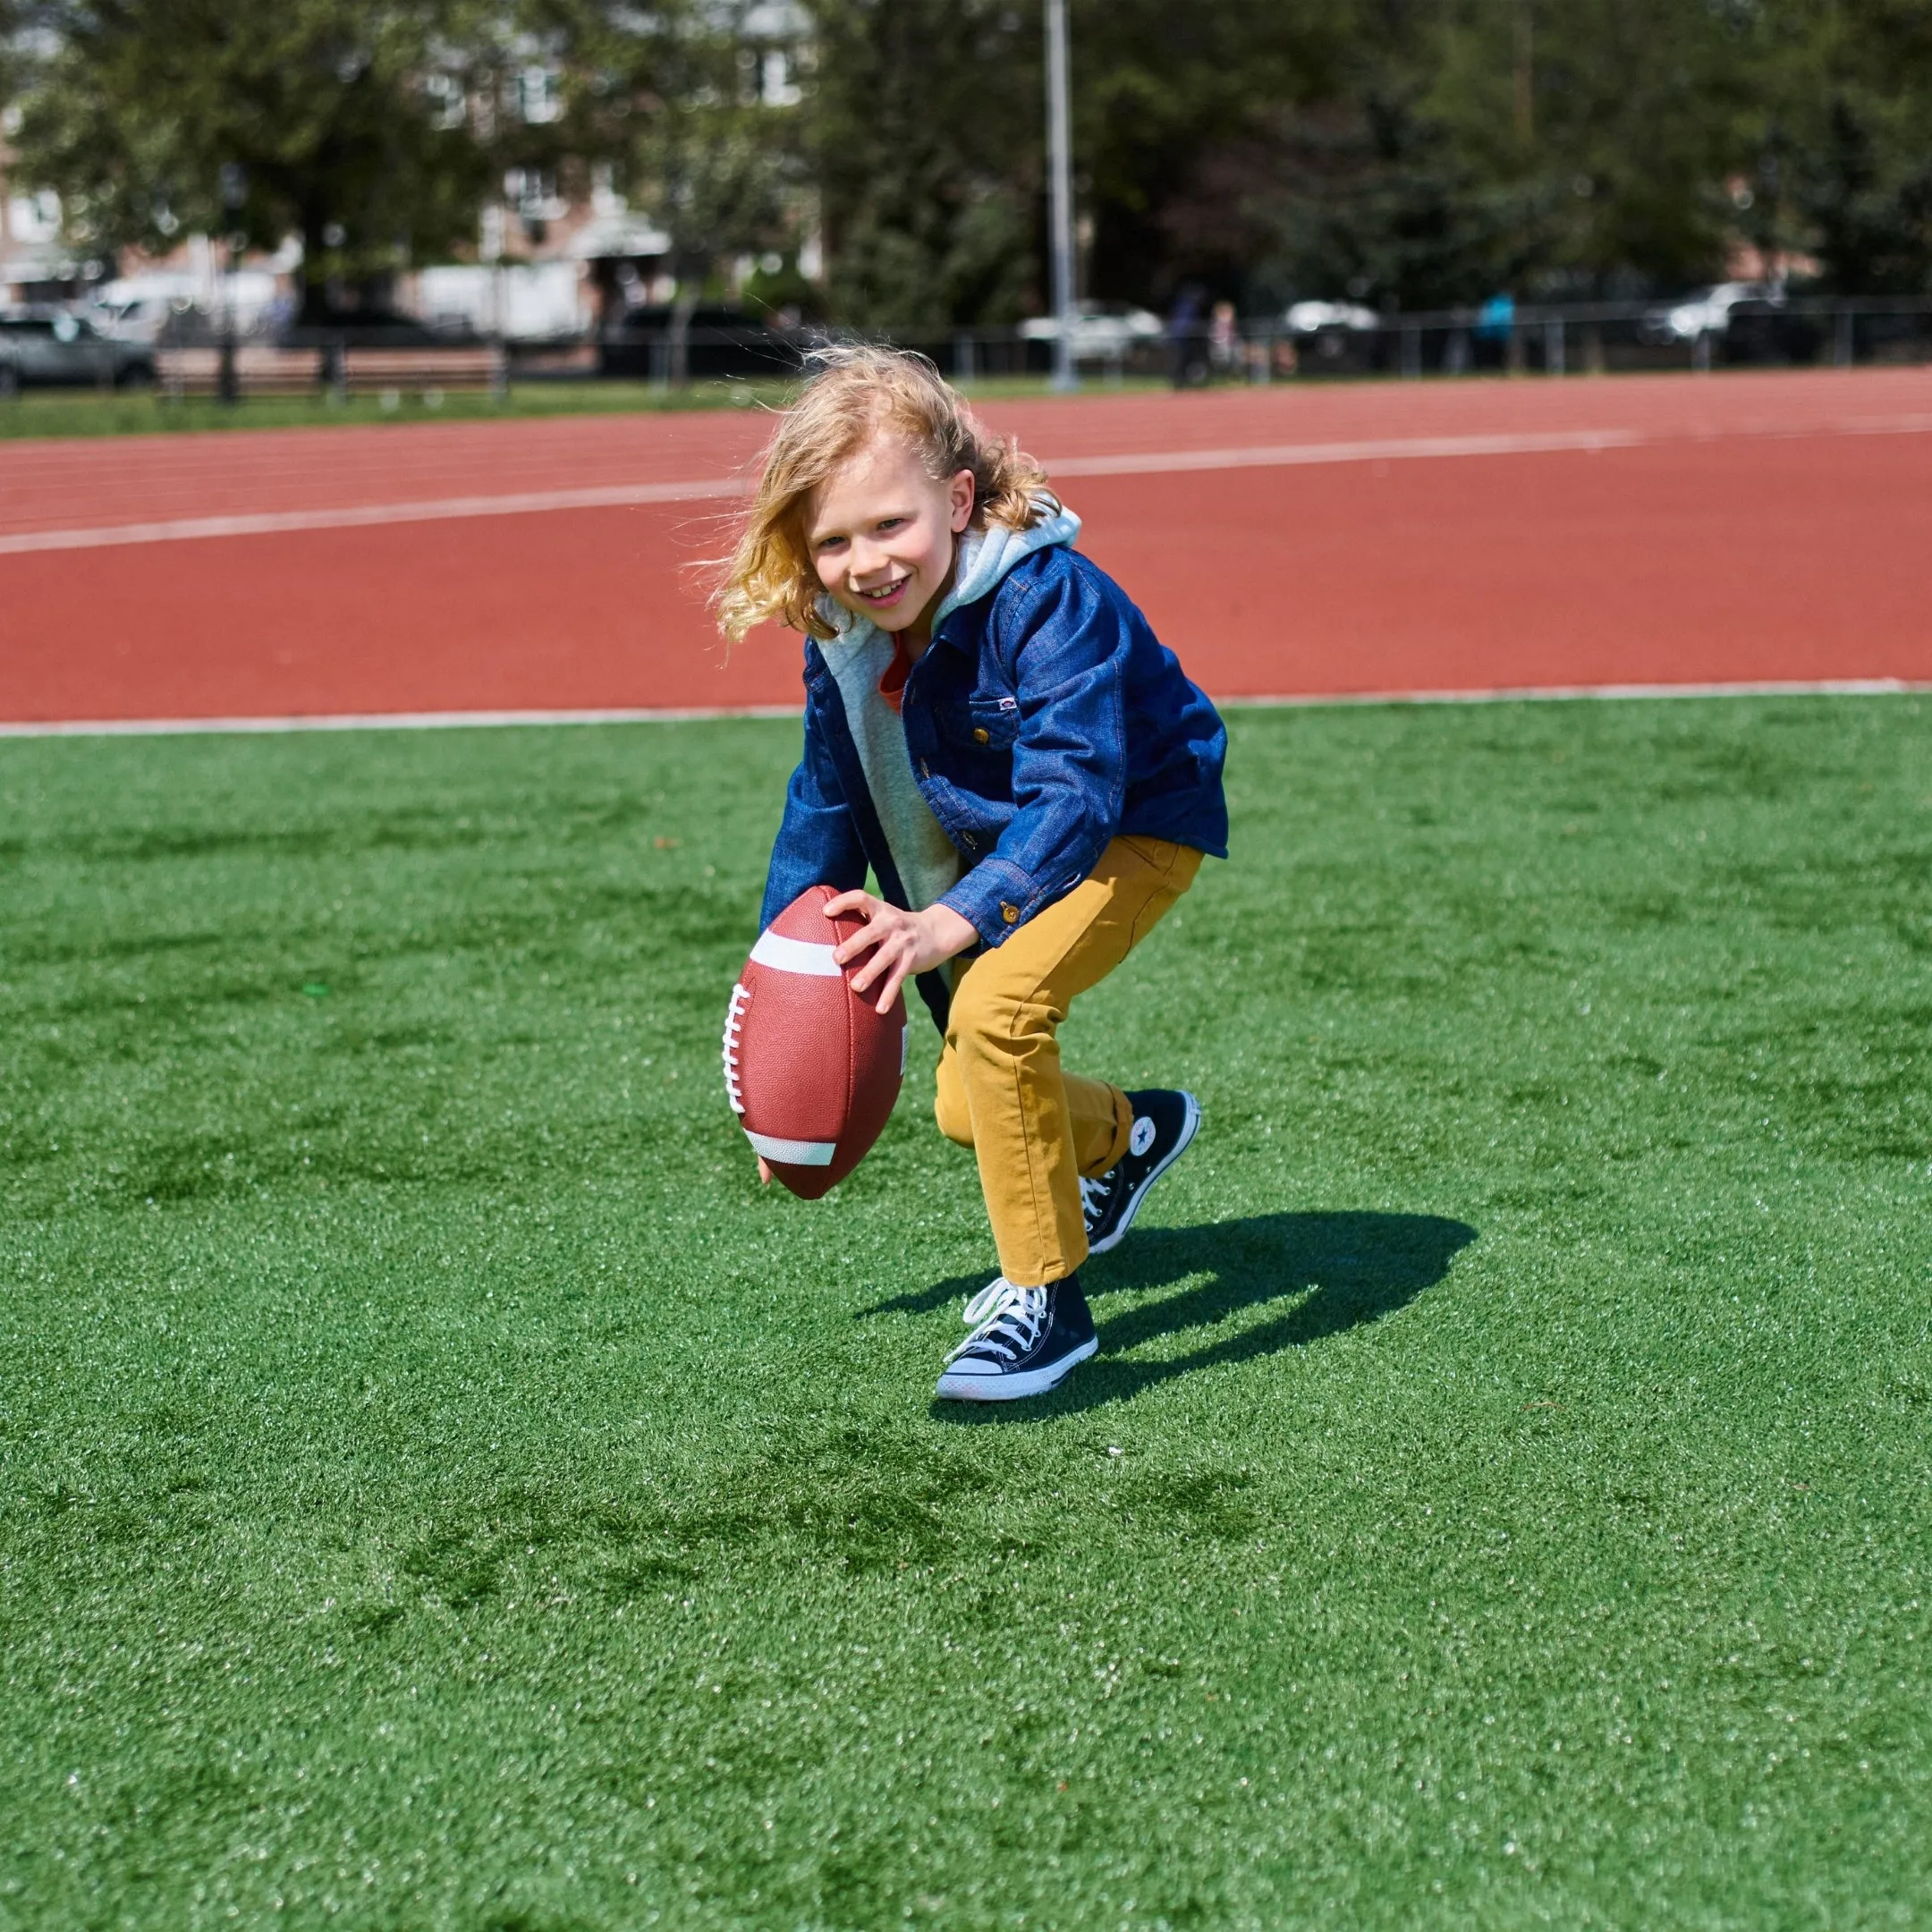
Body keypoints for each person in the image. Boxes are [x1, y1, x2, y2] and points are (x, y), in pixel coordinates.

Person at [714, 346, 1228, 1402]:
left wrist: (950, 921)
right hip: (1003, 848)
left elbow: (1079, 794)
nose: (868, 563)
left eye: (891, 525)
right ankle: (1128, 1135)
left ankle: (1048, 1305)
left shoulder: (1049, 595)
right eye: (834, 541)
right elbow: (824, 806)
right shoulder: (842, 636)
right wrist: (777, 1049)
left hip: (1134, 820)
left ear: (956, 500)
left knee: (995, 1013)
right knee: (966, 1102)